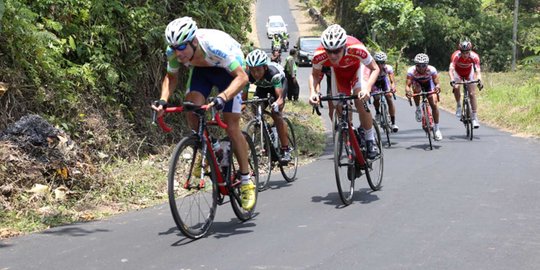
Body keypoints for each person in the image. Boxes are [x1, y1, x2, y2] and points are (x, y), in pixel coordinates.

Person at [151, 17, 256, 210]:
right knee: (191, 107)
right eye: (174, 47)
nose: (177, 52)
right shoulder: (174, 52)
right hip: (202, 71)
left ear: (194, 42)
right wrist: (163, 100)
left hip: (230, 72)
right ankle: (213, 147)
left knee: (232, 127)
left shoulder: (214, 47)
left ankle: (246, 180)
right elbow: (171, 77)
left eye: (182, 47)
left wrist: (223, 97)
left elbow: (242, 78)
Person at [308, 24, 380, 159]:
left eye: (337, 51)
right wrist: (313, 92)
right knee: (339, 107)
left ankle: (370, 140)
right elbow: (315, 75)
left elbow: (375, 68)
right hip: (339, 74)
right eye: (329, 51)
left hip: (358, 70)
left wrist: (367, 88)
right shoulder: (319, 55)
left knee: (359, 99)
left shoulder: (356, 48)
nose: (332, 55)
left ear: (344, 47)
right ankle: (351, 134)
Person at [245, 49, 292, 163]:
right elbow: (244, 95)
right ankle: (266, 129)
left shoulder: (273, 73)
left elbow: (279, 97)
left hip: (278, 87)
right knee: (255, 107)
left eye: (258, 70)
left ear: (265, 67)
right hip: (262, 88)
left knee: (276, 113)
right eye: (252, 70)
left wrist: (277, 103)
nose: (255, 74)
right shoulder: (247, 75)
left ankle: (286, 149)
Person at [405, 53, 443, 141]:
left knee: (434, 104)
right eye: (419, 65)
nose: (421, 68)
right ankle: (418, 108)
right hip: (417, 83)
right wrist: (408, 92)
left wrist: (437, 87)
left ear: (427, 64)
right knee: (416, 90)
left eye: (423, 65)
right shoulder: (411, 71)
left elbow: (437, 83)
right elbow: (408, 85)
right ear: (415, 65)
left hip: (428, 83)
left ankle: (437, 129)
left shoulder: (432, 69)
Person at [449, 40, 483, 128]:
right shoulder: (456, 56)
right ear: (460, 52)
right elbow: (451, 70)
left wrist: (479, 79)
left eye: (467, 52)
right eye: (463, 53)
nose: (465, 55)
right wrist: (452, 79)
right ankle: (459, 106)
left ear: (470, 51)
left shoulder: (474, 56)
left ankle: (475, 118)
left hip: (469, 73)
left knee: (472, 93)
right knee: (456, 87)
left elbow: (478, 70)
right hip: (458, 73)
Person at [372, 51, 399, 132]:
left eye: (382, 62)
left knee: (389, 97)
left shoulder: (388, 68)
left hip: (384, 81)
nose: (380, 65)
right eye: (378, 63)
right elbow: (368, 80)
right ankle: (377, 113)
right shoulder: (371, 68)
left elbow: (392, 81)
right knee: (376, 97)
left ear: (385, 62)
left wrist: (393, 87)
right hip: (375, 82)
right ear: (375, 62)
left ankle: (393, 123)